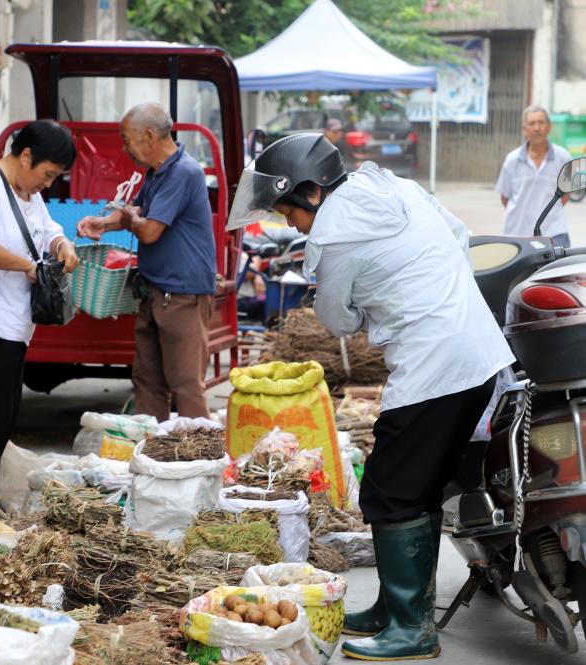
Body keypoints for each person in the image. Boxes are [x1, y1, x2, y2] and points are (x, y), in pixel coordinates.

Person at [239, 134, 513, 661]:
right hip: (475, 350)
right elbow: (458, 236)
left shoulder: (331, 236)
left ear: (313, 193)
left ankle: (413, 627)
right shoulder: (394, 186)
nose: (291, 225)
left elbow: (338, 320)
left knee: (391, 487)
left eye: (289, 212)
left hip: (435, 366)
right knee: (420, 483)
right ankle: (395, 608)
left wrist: (379, 308)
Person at [0, 120, 79, 510]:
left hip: (16, 328)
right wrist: (28, 267)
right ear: (25, 156)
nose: (47, 184)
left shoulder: (29, 192)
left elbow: (47, 230)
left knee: (2, 424)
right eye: (47, 174)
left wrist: (62, 244)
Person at [77, 103, 217, 422]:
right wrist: (103, 223)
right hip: (155, 292)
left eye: (127, 140)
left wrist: (131, 218)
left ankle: (205, 463)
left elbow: (150, 230)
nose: (125, 148)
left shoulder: (183, 171)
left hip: (183, 295)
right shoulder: (156, 172)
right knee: (148, 381)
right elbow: (134, 212)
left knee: (185, 385)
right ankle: (153, 453)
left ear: (149, 136)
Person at [496, 105, 573, 247]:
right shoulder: (512, 160)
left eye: (541, 123)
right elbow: (505, 198)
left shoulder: (563, 157)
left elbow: (566, 195)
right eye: (532, 123)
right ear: (524, 129)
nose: (537, 128)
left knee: (559, 269)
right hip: (517, 234)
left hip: (554, 233)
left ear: (549, 127)